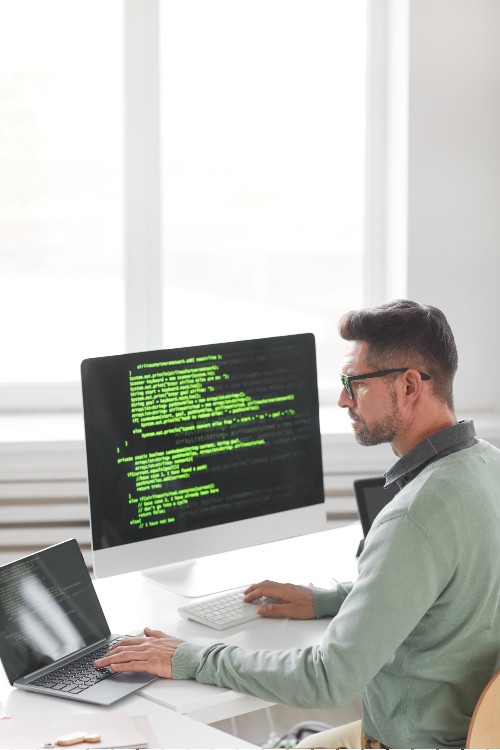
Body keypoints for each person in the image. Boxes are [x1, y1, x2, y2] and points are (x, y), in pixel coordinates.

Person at [95, 300, 500, 749]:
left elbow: (327, 679)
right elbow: (453, 585)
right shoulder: (489, 467)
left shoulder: (413, 515)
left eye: (355, 383)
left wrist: (192, 657)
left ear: (408, 385)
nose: (343, 399)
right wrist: (328, 599)